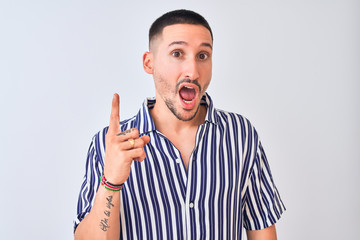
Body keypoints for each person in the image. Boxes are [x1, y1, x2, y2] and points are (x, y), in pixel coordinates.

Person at [74, 9, 285, 240]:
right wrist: (111, 182)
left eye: (202, 55)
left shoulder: (240, 135)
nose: (193, 72)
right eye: (177, 53)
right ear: (149, 62)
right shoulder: (109, 145)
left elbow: (263, 232)